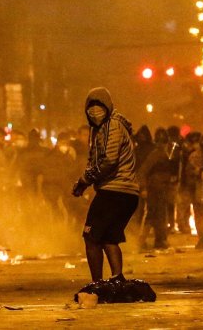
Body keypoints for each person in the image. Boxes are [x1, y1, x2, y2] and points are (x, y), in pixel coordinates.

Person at [70, 87, 139, 283]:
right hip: (125, 192)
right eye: (90, 107)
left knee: (91, 236)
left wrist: (84, 181)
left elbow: (108, 160)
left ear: (107, 106)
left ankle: (97, 284)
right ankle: (117, 279)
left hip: (114, 191)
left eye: (99, 106)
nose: (94, 111)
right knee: (109, 238)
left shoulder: (112, 126)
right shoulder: (102, 128)